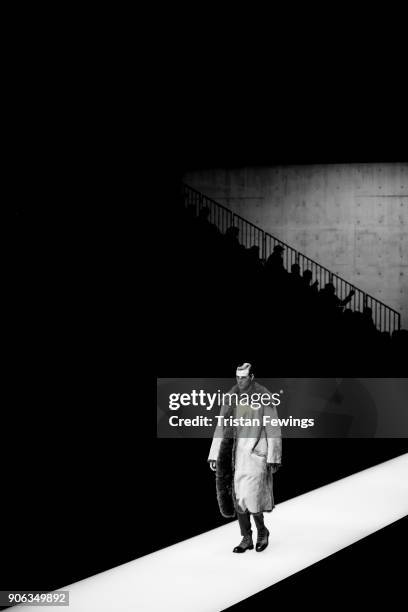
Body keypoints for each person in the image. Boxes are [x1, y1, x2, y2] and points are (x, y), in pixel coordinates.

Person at [208, 363, 282, 553]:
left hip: (255, 453)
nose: (239, 380)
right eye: (237, 377)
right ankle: (246, 537)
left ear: (251, 377)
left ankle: (262, 532)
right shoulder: (230, 397)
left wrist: (273, 456)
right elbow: (220, 426)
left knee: (252, 497)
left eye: (243, 377)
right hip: (234, 455)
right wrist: (215, 454)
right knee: (239, 499)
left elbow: (273, 427)